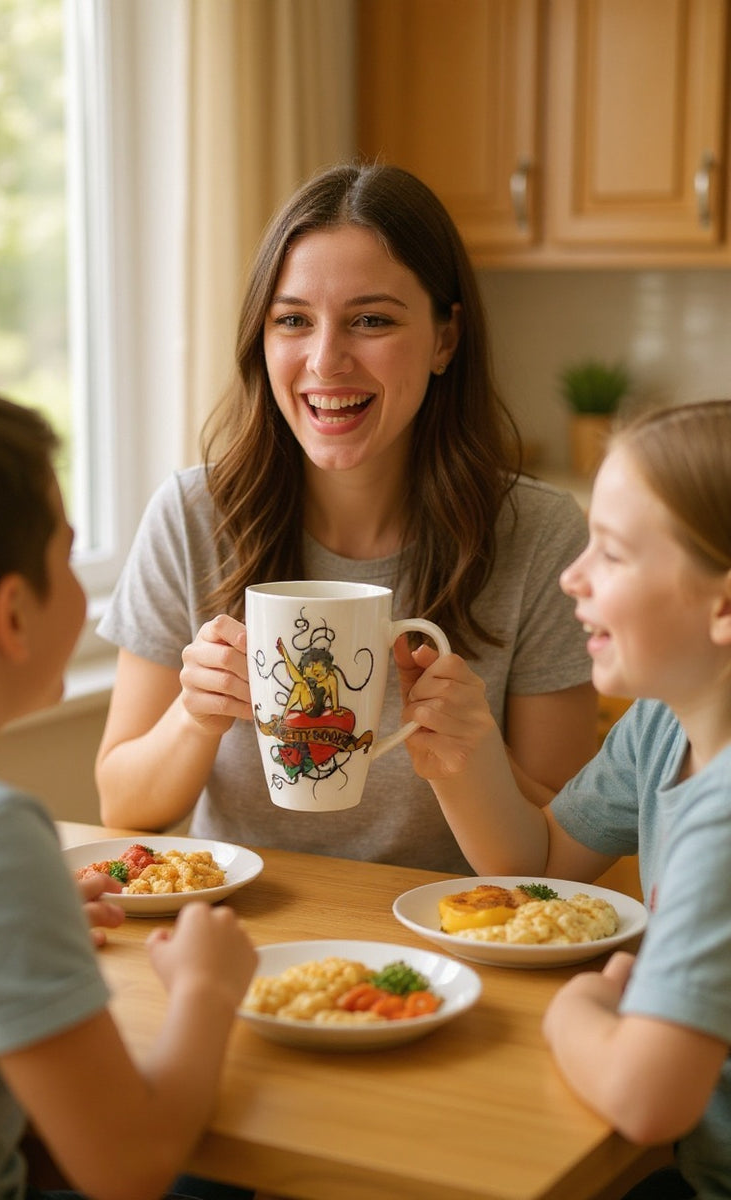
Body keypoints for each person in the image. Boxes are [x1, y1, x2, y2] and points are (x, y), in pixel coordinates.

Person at [95, 160, 596, 873]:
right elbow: (122, 806)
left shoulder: (540, 535)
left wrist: (473, 758)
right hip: (242, 934)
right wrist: (194, 716)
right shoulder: (191, 514)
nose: (326, 361)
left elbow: (560, 860)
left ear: (446, 339)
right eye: (293, 320)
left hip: (445, 937)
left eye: (370, 320)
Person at [0, 383, 257, 1200]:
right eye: (68, 553)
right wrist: (210, 988)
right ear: (12, 614)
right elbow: (134, 1164)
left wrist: (23, 918)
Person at [399, 399, 731, 1199]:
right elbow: (540, 862)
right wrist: (464, 749)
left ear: (723, 606)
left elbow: (647, 1098)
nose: (569, 577)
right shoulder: (661, 726)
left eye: (610, 555)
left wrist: (577, 1011)